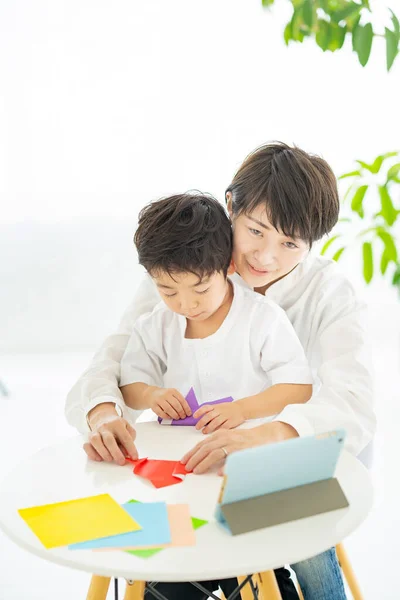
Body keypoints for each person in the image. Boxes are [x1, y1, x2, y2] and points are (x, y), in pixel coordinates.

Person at [65, 142, 376, 600]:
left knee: (300, 542)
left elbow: (354, 405)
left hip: (298, 459)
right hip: (198, 455)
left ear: (312, 243)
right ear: (232, 205)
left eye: (290, 243)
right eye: (255, 230)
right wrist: (104, 414)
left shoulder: (330, 295)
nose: (265, 257)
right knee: (157, 543)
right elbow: (113, 359)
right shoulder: (189, 272)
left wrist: (266, 435)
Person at [119, 193, 312, 429]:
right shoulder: (156, 324)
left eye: (201, 290)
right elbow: (129, 384)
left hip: (247, 443)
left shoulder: (263, 318)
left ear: (229, 265)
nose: (187, 305)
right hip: (174, 446)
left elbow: (298, 387)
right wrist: (150, 395)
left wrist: (242, 410)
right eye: (169, 292)